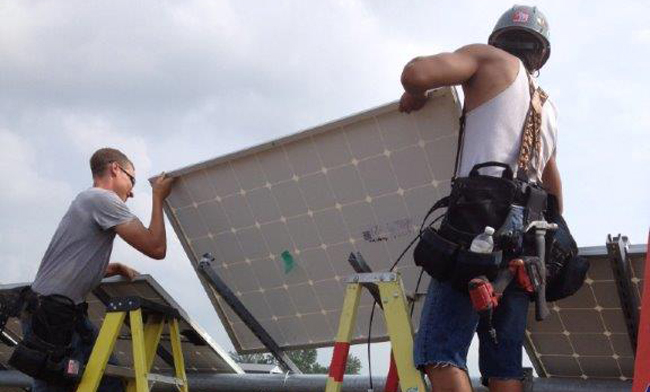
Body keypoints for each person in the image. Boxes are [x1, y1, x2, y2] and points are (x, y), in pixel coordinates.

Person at [399, 5, 562, 392]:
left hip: (478, 219)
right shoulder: (548, 108)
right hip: (528, 239)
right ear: (541, 56)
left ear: (497, 39)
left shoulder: (488, 59)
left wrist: (414, 95)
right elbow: (555, 189)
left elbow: (415, 72)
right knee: (503, 365)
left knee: (440, 351)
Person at [23, 147, 175, 392]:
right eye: (131, 180)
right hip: (53, 317)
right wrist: (159, 197)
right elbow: (156, 248)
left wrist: (107, 267)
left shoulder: (86, 201)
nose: (133, 191)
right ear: (115, 168)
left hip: (59, 313)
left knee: (111, 382)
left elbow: (65, 264)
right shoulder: (103, 199)